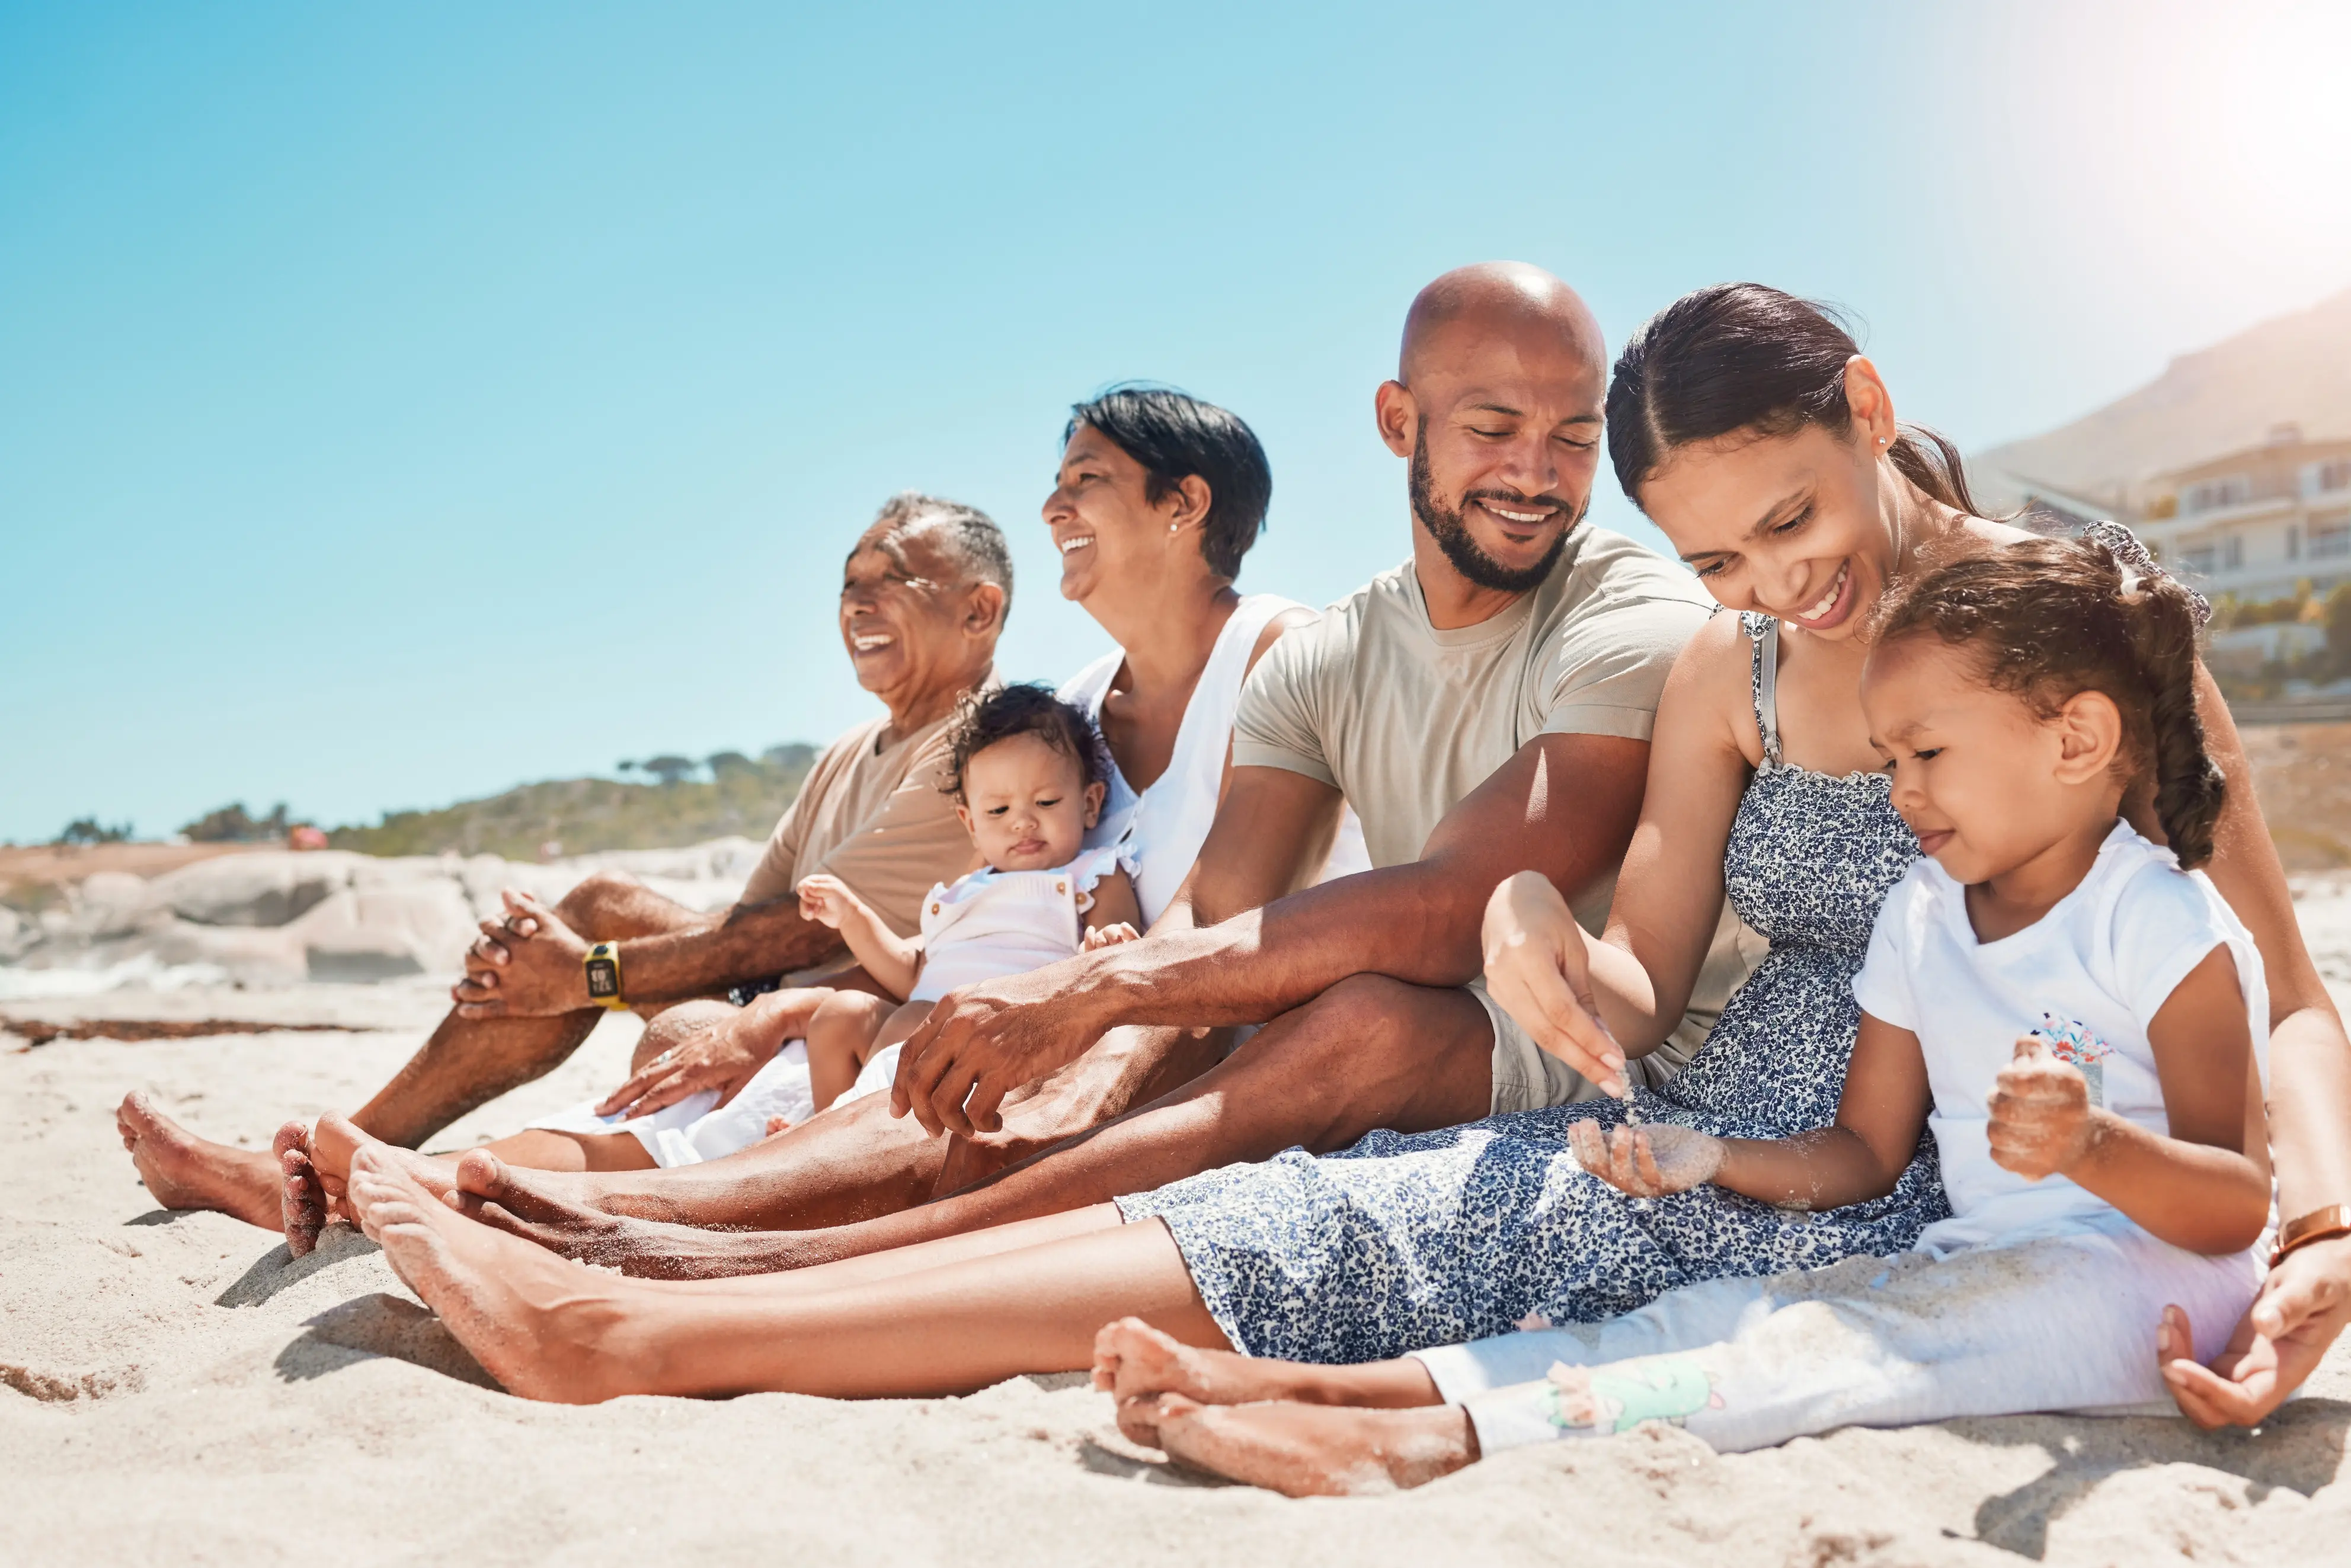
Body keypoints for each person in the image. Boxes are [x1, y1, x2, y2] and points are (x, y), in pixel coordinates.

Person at [321, 280, 2339, 1415]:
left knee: (1384, 1230)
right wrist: (1554, 939)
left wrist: (2321, 1230)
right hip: (1717, 1108)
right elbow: (1636, 975)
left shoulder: (2079, 635)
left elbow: (2281, 989)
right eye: (1717, 554)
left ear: (1869, 409)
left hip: (1922, 1168)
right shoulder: (1726, 671)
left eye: (1796, 526)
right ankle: (667, 1303)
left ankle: (638, 1328)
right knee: (1370, 1186)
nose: (1774, 587)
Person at [363, 260, 1749, 1283]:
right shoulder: (1322, 660)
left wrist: (1101, 991)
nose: (1537, 471)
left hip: (1568, 1040)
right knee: (1021, 1038)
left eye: (1572, 436)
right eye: (1490, 426)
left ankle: (735, 1249)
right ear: (1398, 423)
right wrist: (1083, 1021)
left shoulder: (1612, 614)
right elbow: (1212, 901)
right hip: (1362, 1014)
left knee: (1347, 1013)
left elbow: (1465, 898)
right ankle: (584, 1204)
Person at [1092, 537, 2273, 1493]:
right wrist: (1710, 1156)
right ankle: (1330, 1392)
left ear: (2078, 740)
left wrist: (2093, 1147)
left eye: (1924, 754)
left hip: (2152, 1293)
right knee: (1727, 1313)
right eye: (1885, 758)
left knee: (1802, 1357)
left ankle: (1430, 1442)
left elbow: (2235, 1204)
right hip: (1976, 1266)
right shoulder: (1919, 917)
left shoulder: (2160, 923)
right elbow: (1860, 1155)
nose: (1898, 792)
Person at [273, 385, 1357, 1256]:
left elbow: (1218, 914)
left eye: (1087, 480)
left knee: (902, 1069)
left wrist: (1039, 1010)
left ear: (1185, 504)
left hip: (1179, 1034)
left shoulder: (1276, 651)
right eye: (1056, 481)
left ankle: (549, 1203)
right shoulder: (1071, 707)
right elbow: (951, 920)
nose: (1051, 509)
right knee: (771, 1046)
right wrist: (779, 1014)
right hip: (1027, 1004)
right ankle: (459, 1168)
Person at [113, 491, 1012, 1244]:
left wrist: (589, 974)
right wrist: (582, 958)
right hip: (781, 988)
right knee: (599, 901)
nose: (856, 604)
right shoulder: (854, 748)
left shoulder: (985, 746)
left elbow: (806, 929)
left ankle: (345, 1162)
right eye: (846, 584)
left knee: (628, 976)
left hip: (849, 1019)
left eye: (889, 581)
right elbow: (743, 924)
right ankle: (339, 1150)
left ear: (979, 609)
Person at [794, 685, 1143, 1112]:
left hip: (1004, 1037)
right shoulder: (961, 892)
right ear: (971, 823)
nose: (1022, 822)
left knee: (911, 1019)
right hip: (922, 1023)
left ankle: (851, 1128)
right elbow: (912, 972)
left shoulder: (1092, 873)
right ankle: (824, 1123)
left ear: (1090, 804)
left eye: (1046, 801)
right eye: (998, 811)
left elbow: (1121, 942)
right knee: (839, 1015)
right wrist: (852, 916)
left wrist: (1105, 945)